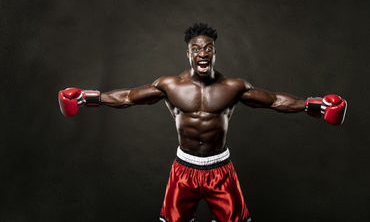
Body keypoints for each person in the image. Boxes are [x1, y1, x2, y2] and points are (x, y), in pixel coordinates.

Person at [58, 23, 347, 222]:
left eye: (208, 48)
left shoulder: (232, 87)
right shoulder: (170, 86)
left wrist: (315, 104)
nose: (202, 54)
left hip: (221, 171)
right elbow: (128, 97)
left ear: (214, 52)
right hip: (183, 171)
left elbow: (273, 101)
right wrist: (88, 97)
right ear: (188, 54)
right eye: (196, 49)